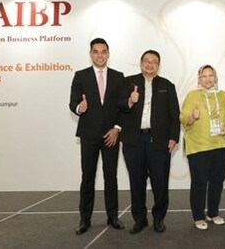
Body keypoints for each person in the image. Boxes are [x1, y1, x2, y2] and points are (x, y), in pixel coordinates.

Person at [118, 50, 180, 234]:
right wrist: (130, 100)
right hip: (133, 141)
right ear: (141, 63)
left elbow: (174, 115)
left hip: (159, 141)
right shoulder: (128, 82)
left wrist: (173, 137)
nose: (150, 64)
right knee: (136, 182)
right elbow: (119, 106)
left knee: (160, 183)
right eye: (146, 61)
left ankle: (159, 218)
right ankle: (140, 219)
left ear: (158, 65)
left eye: (154, 62)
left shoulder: (167, 85)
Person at [69, 38, 125, 235]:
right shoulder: (81, 76)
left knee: (111, 177)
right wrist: (79, 107)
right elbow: (73, 103)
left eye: (103, 51)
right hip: (89, 134)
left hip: (111, 135)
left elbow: (123, 107)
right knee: (88, 178)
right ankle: (85, 220)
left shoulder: (119, 77)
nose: (100, 55)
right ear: (90, 54)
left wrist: (117, 128)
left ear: (108, 54)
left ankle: (113, 217)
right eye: (96, 51)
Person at [180, 65, 225, 230]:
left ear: (216, 78)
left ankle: (213, 212)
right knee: (199, 182)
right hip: (198, 146)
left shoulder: (223, 95)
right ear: (199, 78)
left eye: (211, 76)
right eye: (204, 76)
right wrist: (193, 116)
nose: (208, 79)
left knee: (217, 181)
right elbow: (184, 119)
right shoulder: (192, 96)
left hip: (220, 145)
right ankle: (198, 216)